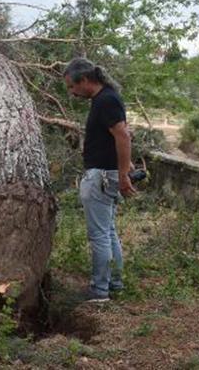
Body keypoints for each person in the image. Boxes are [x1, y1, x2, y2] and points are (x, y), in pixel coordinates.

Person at [64, 58, 136, 303]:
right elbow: (117, 137)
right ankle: (114, 284)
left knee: (100, 236)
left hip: (102, 177)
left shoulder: (105, 100)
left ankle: (100, 290)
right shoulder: (106, 99)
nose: (71, 93)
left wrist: (124, 172)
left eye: (72, 87)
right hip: (107, 174)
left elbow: (123, 136)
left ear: (84, 81)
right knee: (109, 232)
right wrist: (123, 168)